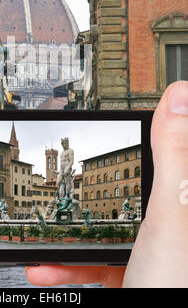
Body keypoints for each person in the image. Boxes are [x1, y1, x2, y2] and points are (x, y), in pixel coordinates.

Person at [26, 81, 188, 288]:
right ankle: (63, 205)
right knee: (61, 193)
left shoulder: (69, 152)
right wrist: (59, 172)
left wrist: (65, 172)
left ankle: (65, 207)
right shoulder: (61, 155)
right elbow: (62, 169)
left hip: (67, 174)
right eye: (62, 145)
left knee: (66, 191)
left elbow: (70, 163)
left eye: (65, 144)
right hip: (62, 174)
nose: (64, 146)